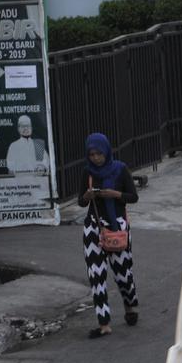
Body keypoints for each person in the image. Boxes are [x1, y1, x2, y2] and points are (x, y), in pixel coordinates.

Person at [79, 133, 139, 339]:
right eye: (92, 154)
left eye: (99, 153)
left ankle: (130, 306)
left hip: (117, 227)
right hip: (93, 227)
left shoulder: (120, 169)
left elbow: (133, 196)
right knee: (96, 275)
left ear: (106, 151)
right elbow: (80, 201)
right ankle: (104, 323)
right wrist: (87, 196)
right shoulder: (88, 171)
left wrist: (115, 194)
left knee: (123, 274)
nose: (96, 158)